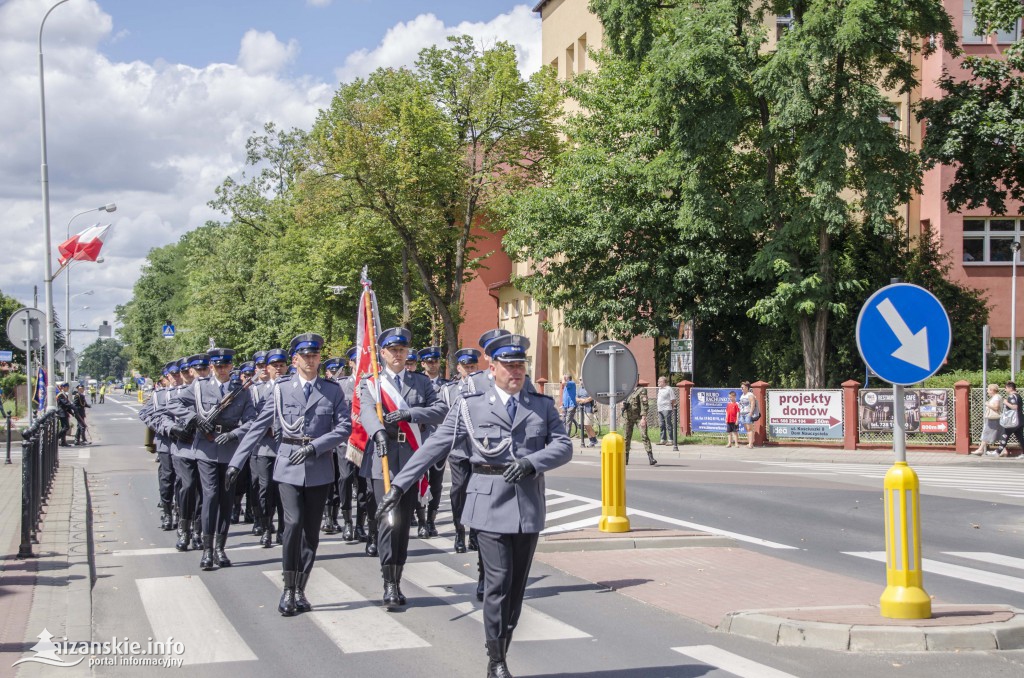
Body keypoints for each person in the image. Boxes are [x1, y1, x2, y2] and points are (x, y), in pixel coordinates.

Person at [376, 333, 573, 677]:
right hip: (487, 502)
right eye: (509, 366)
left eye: (520, 366)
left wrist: (533, 462)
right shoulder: (470, 405)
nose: (516, 372)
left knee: (515, 587)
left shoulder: (540, 405)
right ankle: (497, 660)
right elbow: (434, 446)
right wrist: (399, 486)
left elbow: (564, 446)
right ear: (492, 368)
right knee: (497, 582)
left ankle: (501, 641)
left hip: (527, 504)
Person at [227, 333, 352, 617]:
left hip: (318, 467)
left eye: (315, 355)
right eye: (305, 356)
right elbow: (258, 426)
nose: (311, 360)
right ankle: (287, 588)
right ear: (294, 360)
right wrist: (236, 461)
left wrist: (315, 448)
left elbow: (343, 428)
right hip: (287, 465)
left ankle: (300, 588)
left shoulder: (331, 391)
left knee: (310, 532)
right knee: (292, 523)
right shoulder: (281, 389)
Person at [358, 327, 448, 608]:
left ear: (408, 352)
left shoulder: (420, 383)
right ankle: (388, 583)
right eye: (392, 350)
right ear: (382, 353)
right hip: (382, 459)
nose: (398, 354)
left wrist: (411, 413)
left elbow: (441, 410)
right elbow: (366, 411)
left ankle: (397, 578)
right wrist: (378, 433)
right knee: (387, 521)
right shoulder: (371, 381)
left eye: (402, 349)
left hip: (411, 459)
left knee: (403, 524)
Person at [166, 348, 257, 571]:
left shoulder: (241, 390)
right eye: (217, 366)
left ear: (231, 366)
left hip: (230, 449)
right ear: (212, 367)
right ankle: (207, 550)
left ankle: (220, 548)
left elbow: (251, 420)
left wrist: (235, 434)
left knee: (226, 499)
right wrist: (196, 419)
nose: (222, 369)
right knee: (211, 495)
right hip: (206, 448)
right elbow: (174, 404)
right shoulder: (199, 386)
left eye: (226, 365)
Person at [417, 345, 447, 537]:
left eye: (435, 361)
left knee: (436, 484)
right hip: (419, 440)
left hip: (440, 441)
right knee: (420, 482)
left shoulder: (447, 386)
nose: (433, 365)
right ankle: (420, 521)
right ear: (423, 364)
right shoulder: (417, 383)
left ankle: (431, 521)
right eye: (429, 362)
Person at [622, 381, 657, 465]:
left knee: (644, 436)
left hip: (639, 418)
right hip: (628, 418)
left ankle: (650, 457)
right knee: (626, 438)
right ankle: (625, 459)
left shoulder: (641, 390)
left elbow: (644, 405)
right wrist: (624, 406)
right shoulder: (628, 391)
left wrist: (643, 418)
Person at [973, 383, 1004, 456]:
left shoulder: (996, 397)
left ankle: (980, 449)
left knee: (986, 433)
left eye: (988, 390)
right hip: (995, 419)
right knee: (999, 434)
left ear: (992, 390)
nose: (987, 391)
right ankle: (1003, 450)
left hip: (993, 419)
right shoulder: (997, 397)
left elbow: (996, 408)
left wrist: (988, 405)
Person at [997, 381, 1023, 458]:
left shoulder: (1012, 396)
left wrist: (1005, 402)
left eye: (1006, 388)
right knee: (1020, 437)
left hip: (1014, 420)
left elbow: (1015, 407)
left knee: (1005, 434)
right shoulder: (1018, 396)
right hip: (1020, 420)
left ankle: (998, 451)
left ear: (1011, 388)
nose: (1005, 390)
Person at [575, 381, 598, 447]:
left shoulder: (589, 388)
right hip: (581, 409)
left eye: (581, 379)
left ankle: (594, 439)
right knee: (584, 426)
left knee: (588, 425)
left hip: (588, 409)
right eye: (579, 379)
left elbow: (592, 397)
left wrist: (585, 401)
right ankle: (591, 440)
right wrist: (581, 400)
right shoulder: (579, 389)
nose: (580, 381)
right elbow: (576, 398)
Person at [738, 381, 759, 449]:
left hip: (748, 413)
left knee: (749, 428)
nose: (741, 388)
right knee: (747, 429)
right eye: (741, 387)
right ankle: (749, 442)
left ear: (746, 387)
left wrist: (750, 413)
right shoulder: (742, 395)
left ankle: (751, 444)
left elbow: (753, 404)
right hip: (742, 413)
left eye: (742, 387)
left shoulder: (750, 395)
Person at [656, 377, 676, 445]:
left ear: (664, 382)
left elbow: (673, 399)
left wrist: (672, 408)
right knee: (661, 425)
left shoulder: (669, 388)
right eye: (658, 381)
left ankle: (670, 440)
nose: (658, 382)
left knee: (668, 424)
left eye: (659, 381)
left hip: (667, 408)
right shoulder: (659, 389)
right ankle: (663, 440)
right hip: (660, 409)